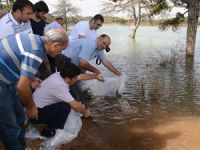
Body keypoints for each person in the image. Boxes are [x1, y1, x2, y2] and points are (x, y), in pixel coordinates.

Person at [0, 29, 68, 150]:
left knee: (19, 116)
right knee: (10, 125)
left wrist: (31, 78)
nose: (60, 53)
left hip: (7, 76)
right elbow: (22, 87)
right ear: (55, 45)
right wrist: (31, 107)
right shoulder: (36, 52)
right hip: (2, 81)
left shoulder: (36, 39)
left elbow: (19, 57)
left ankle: (21, 146)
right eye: (61, 49)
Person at [30, 61, 104, 137]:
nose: (76, 79)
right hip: (35, 115)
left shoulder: (59, 75)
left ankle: (54, 119)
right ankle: (51, 130)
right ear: (67, 78)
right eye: (75, 78)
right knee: (65, 106)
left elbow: (79, 76)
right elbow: (75, 106)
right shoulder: (60, 86)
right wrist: (85, 112)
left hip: (40, 106)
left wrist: (95, 76)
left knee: (72, 94)